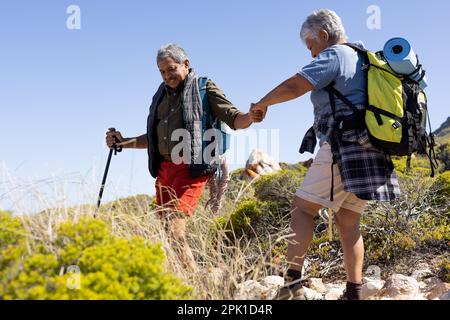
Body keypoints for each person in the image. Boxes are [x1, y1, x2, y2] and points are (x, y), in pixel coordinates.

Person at [250, 9, 400, 300]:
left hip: (344, 145)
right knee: (349, 218)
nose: (312, 54)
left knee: (302, 208)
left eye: (311, 47)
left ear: (323, 35)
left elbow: (295, 85)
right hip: (374, 148)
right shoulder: (366, 58)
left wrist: (263, 102)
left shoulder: (334, 55)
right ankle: (354, 291)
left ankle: (291, 284)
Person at [106, 44, 262, 272]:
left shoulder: (204, 88)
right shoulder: (160, 95)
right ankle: (187, 278)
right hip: (164, 170)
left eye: (171, 69)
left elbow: (234, 118)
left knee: (175, 227)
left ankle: (195, 283)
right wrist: (123, 142)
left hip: (193, 168)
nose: (167, 76)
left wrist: (251, 116)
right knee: (165, 229)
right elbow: (154, 139)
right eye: (162, 72)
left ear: (186, 64)